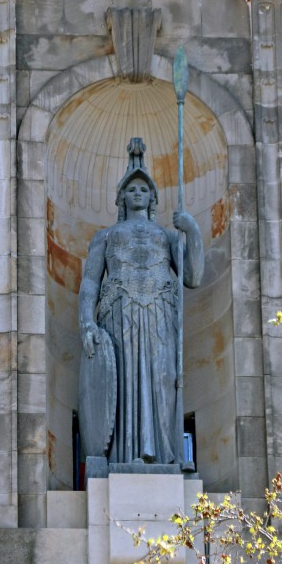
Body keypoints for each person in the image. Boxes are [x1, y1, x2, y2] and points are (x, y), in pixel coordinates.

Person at [78, 138, 204, 467]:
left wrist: (192, 232)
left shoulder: (167, 236)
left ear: (152, 198)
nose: (138, 193)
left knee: (162, 381)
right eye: (131, 189)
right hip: (119, 315)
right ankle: (124, 455)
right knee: (123, 386)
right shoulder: (105, 236)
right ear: (121, 197)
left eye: (144, 189)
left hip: (160, 316)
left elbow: (193, 277)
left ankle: (167, 454)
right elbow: (90, 281)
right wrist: (85, 322)